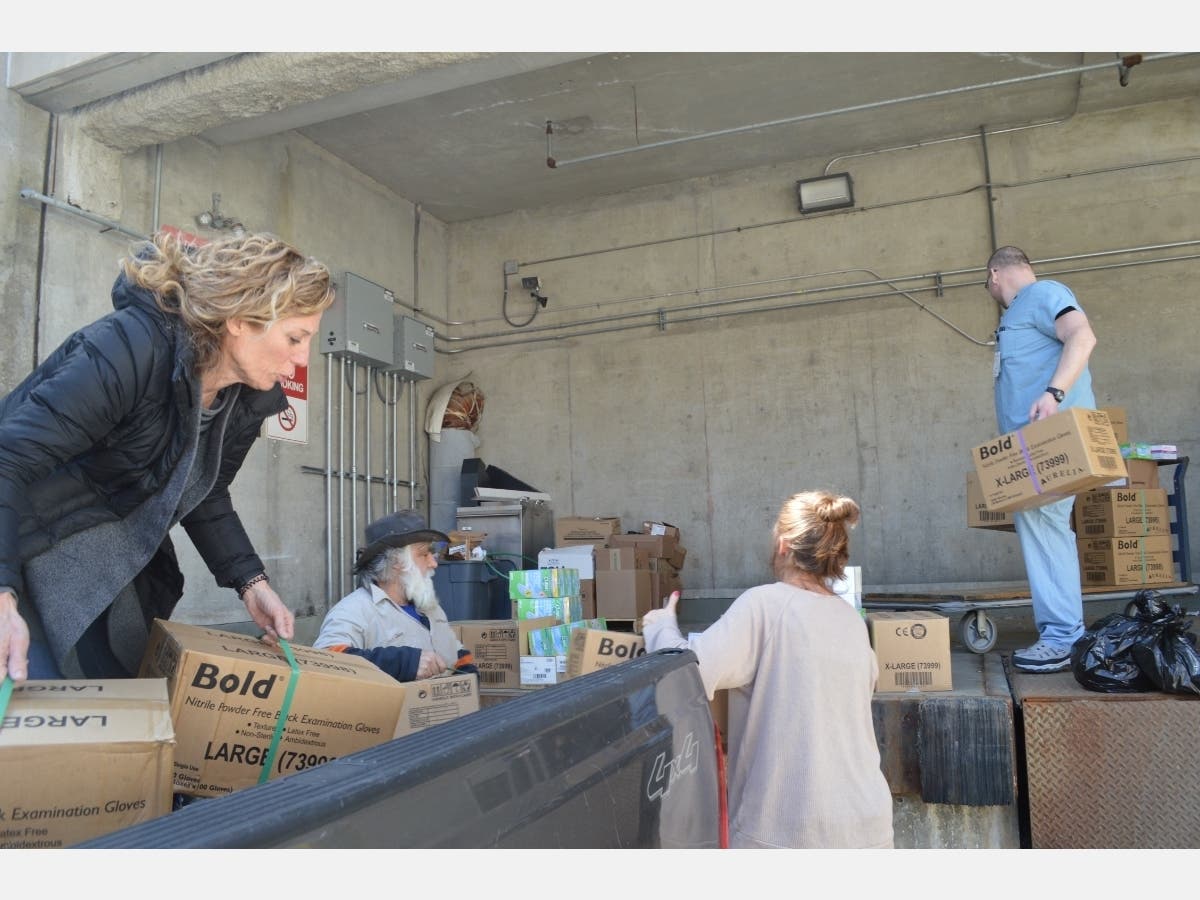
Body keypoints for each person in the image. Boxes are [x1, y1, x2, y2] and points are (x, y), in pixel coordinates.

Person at [0, 231, 335, 683]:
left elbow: (205, 490)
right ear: (240, 319)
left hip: (110, 565)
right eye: (295, 337)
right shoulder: (130, 347)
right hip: (22, 544)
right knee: (28, 695)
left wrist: (251, 583)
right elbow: (8, 459)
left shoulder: (248, 399)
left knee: (111, 695)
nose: (302, 358)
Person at [642, 490, 894, 849]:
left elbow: (686, 675)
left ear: (783, 544)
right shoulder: (850, 620)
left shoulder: (765, 605)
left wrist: (661, 627)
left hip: (789, 833)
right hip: (869, 828)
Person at [985, 245, 1098, 673]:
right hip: (1031, 446)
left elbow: (1082, 336)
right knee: (1043, 527)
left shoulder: (1043, 293)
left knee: (1045, 527)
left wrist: (1053, 394)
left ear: (995, 275)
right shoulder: (1020, 312)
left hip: (1049, 442)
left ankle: (1063, 637)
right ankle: (1064, 633)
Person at [313, 509, 477, 681]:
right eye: (424, 554)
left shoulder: (430, 609)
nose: (433, 563)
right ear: (396, 561)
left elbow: (456, 654)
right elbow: (326, 660)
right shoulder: (353, 611)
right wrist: (403, 663)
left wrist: (468, 673)